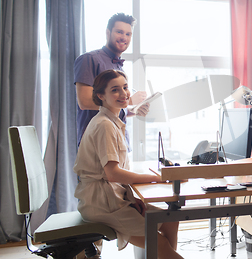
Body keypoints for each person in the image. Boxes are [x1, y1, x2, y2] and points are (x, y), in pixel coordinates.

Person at [73, 69, 182, 259]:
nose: (123, 94)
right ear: (101, 95)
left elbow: (116, 175)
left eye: (125, 87)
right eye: (115, 90)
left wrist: (132, 197)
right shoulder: (104, 125)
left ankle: (163, 255)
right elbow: (113, 174)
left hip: (113, 197)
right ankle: (163, 252)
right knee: (160, 243)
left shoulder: (113, 121)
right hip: (102, 204)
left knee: (170, 220)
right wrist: (156, 178)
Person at [74, 13, 148, 146]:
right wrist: (129, 100)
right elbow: (84, 102)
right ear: (108, 33)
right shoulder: (89, 59)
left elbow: (112, 109)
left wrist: (134, 110)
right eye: (119, 32)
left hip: (119, 141)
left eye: (128, 34)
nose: (124, 37)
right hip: (96, 143)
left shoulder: (119, 66)